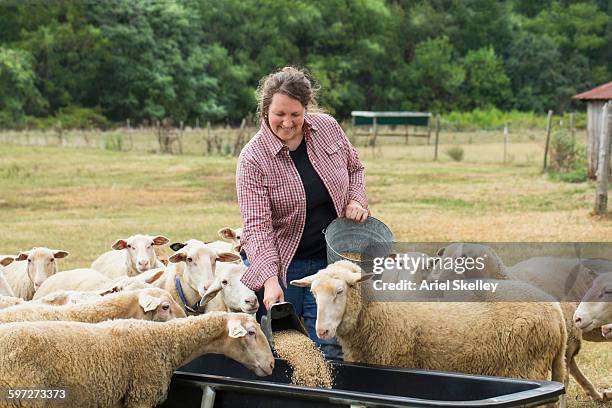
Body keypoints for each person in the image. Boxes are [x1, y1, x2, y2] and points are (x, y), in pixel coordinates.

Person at [236, 66, 369, 358]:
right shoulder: (253, 159)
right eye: (279, 114)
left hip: (331, 262)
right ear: (265, 110)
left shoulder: (328, 129)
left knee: (329, 346)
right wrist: (270, 281)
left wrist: (355, 200)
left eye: (295, 115)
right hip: (286, 266)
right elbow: (257, 228)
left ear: (306, 109)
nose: (287, 122)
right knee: (289, 350)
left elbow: (355, 168)